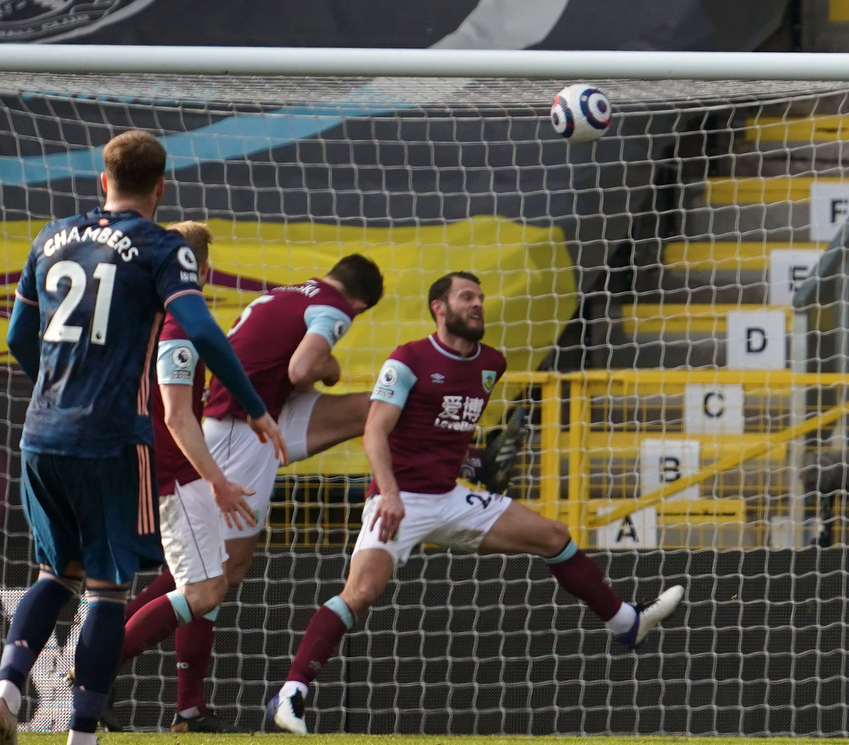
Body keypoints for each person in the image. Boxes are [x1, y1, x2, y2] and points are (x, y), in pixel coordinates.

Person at [265, 271, 684, 735]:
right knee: (361, 593)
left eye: (480, 297)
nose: (477, 304)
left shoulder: (492, 364)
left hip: (450, 497)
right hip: (399, 500)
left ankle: (626, 622)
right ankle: (290, 695)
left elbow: (439, 436)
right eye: (467, 297)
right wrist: (388, 492)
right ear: (439, 308)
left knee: (554, 536)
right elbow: (375, 431)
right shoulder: (406, 360)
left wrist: (476, 462)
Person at [0, 130, 284, 745]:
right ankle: (82, 737)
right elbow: (206, 333)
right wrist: (257, 408)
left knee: (55, 573)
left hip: (41, 432)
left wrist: (59, 389)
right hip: (110, 439)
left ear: (103, 180)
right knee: (105, 588)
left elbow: (21, 338)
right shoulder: (161, 249)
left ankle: (6, 688)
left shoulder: (51, 237)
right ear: (161, 187)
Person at [111, 222, 258, 733]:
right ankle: (95, 672)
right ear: (198, 269)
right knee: (205, 590)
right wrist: (215, 479)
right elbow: (176, 415)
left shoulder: (144, 320)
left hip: (161, 468)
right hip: (175, 473)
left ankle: (190, 709)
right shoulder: (176, 329)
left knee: (194, 582)